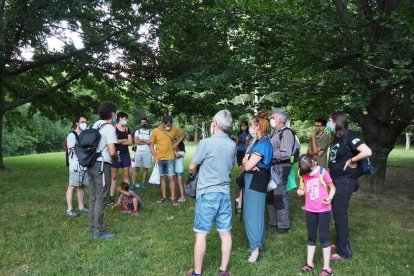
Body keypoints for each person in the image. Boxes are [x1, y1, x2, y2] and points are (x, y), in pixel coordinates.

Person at [187, 110, 236, 276]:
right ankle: (223, 270)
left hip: (207, 193)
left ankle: (197, 273)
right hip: (224, 192)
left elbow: (192, 166)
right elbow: (231, 166)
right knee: (225, 232)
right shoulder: (232, 144)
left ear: (214, 123)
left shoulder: (205, 143)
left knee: (201, 233)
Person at [327, 111, 372, 261]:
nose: (328, 123)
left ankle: (344, 252)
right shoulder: (337, 138)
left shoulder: (349, 135)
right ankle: (340, 242)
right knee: (337, 213)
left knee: (340, 214)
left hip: (345, 181)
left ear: (336, 122)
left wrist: (352, 160)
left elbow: (367, 151)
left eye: (329, 121)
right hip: (336, 180)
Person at [242, 109, 273, 263]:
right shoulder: (257, 142)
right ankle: (254, 245)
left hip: (256, 180)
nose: (250, 129)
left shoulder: (264, 144)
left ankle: (255, 249)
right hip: (252, 179)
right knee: (250, 212)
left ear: (258, 126)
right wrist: (247, 160)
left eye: (252, 126)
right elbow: (244, 161)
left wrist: (247, 161)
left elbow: (247, 166)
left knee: (253, 214)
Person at [297, 154, 336, 276]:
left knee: (324, 237)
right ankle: (309, 263)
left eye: (310, 170)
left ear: (314, 162)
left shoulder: (323, 172)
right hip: (310, 209)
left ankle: (327, 268)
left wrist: (330, 198)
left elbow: (332, 187)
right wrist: (300, 191)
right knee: (311, 236)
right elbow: (302, 188)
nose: (309, 173)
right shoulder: (303, 173)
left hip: (323, 210)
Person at [88, 101, 118, 239]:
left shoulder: (93, 125)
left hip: (91, 164)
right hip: (102, 165)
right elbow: (112, 151)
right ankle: (98, 231)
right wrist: (116, 158)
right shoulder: (109, 128)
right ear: (112, 113)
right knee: (101, 198)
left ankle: (92, 227)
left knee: (93, 197)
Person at [267, 108, 295, 234]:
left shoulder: (286, 132)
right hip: (272, 166)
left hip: (281, 167)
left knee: (279, 195)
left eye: (272, 117)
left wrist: (269, 155)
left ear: (278, 120)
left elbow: (286, 153)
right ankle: (274, 221)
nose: (270, 119)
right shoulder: (274, 132)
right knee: (270, 194)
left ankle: (283, 225)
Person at [150, 115, 185, 205]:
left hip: (170, 158)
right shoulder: (155, 131)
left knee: (171, 178)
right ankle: (164, 197)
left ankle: (173, 198)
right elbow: (151, 146)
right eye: (167, 125)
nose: (168, 127)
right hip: (160, 158)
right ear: (163, 123)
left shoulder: (174, 129)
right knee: (162, 178)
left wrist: (177, 143)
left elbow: (182, 134)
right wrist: (155, 156)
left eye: (170, 125)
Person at [65, 116, 89, 217]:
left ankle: (81, 206)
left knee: (81, 186)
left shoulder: (85, 134)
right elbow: (72, 149)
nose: (84, 124)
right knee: (72, 186)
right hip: (75, 165)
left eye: (85, 122)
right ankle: (69, 209)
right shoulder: (72, 135)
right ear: (77, 123)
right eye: (82, 122)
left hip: (84, 165)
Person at [107, 112, 132, 205]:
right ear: (120, 118)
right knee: (114, 177)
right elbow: (113, 141)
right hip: (115, 155)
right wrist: (124, 140)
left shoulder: (127, 128)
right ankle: (111, 197)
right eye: (125, 118)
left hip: (125, 154)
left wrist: (119, 141)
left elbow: (130, 142)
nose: (126, 120)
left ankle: (127, 194)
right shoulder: (113, 128)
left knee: (126, 175)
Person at [132, 118, 152, 190]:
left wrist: (142, 140)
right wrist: (146, 142)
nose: (144, 123)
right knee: (136, 168)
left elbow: (151, 142)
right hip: (138, 152)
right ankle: (133, 184)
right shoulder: (137, 131)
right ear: (140, 123)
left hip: (147, 152)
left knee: (145, 169)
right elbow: (136, 141)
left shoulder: (150, 132)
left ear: (147, 123)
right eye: (142, 122)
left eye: (145, 122)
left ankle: (143, 184)